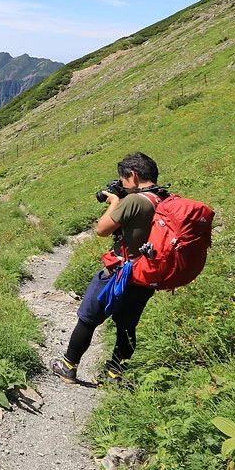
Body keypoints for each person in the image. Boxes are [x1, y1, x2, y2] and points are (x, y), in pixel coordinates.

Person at [51, 152, 166, 384]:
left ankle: (68, 367)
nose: (122, 184)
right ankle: (114, 374)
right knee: (127, 325)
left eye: (123, 180)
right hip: (146, 274)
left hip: (119, 273)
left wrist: (115, 202)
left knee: (88, 318)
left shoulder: (134, 201)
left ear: (133, 175)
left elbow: (102, 229)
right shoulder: (164, 198)